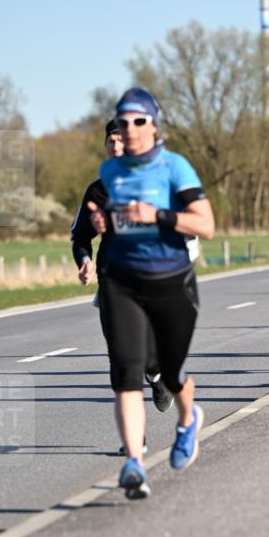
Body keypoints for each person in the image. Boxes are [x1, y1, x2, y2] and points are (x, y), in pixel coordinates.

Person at [85, 87, 215, 498]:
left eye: (138, 121)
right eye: (123, 122)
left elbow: (205, 225)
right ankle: (134, 464)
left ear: (154, 125)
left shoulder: (175, 167)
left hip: (170, 279)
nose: (130, 128)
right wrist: (104, 224)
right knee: (127, 372)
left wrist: (157, 215)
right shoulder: (110, 173)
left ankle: (187, 419)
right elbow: (116, 219)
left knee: (171, 373)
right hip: (121, 280)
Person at [71, 119, 174, 459]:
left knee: (145, 353)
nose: (116, 147)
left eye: (121, 141)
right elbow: (80, 235)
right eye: (110, 142)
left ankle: (157, 375)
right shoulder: (97, 191)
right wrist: (84, 260)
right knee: (121, 360)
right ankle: (136, 439)